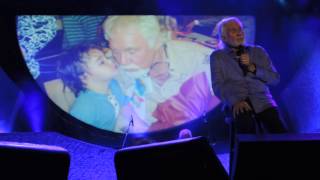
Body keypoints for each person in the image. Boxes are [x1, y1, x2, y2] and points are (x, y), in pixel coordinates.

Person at [102, 16, 221, 132]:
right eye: (116, 52)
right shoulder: (110, 67)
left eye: (131, 51)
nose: (122, 61)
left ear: (157, 42)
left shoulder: (199, 59)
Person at [210, 17, 288, 134]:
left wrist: (253, 68)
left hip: (263, 101)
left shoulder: (258, 51)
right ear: (224, 37)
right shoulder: (217, 56)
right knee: (245, 126)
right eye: (233, 30)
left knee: (279, 132)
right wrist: (235, 101)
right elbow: (218, 86)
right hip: (236, 101)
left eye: (240, 29)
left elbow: (274, 79)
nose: (239, 32)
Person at [58, 43, 140, 132]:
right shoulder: (84, 109)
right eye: (101, 62)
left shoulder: (112, 84)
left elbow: (124, 104)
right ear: (84, 77)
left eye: (106, 57)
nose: (110, 61)